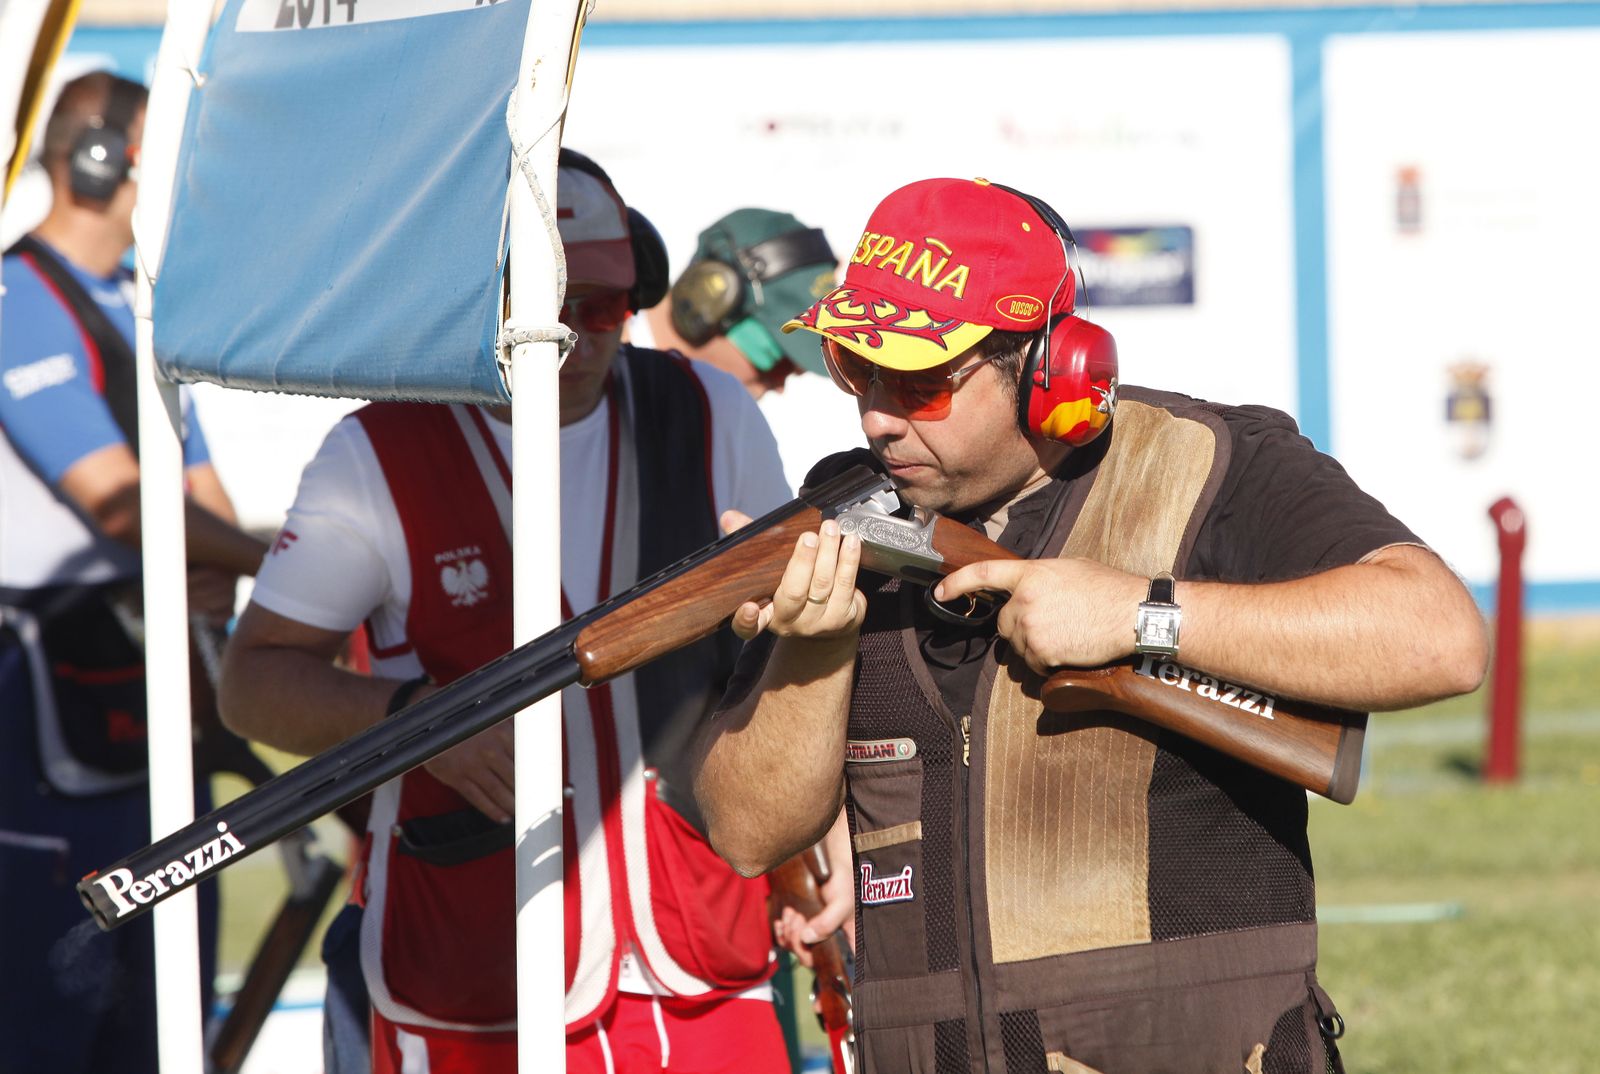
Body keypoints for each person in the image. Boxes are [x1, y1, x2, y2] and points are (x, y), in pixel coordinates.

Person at [690, 176, 1489, 1074]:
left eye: (918, 380)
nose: (877, 415)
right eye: (854, 368)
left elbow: (1440, 636)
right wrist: (813, 647)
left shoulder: (1211, 465)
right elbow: (748, 832)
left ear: (1047, 369)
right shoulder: (847, 506)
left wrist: (1143, 615)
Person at [219, 149, 801, 1073]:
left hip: (703, 949)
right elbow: (253, 683)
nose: (569, 336)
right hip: (477, 967)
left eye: (600, 307)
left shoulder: (708, 409)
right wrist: (414, 724)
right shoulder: (377, 449)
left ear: (638, 292)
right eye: (539, 309)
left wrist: (812, 842)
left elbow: (781, 659)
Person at [0, 71, 268, 1073]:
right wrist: (287, 562)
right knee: (52, 1004)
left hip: (147, 706)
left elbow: (201, 506)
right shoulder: (18, 301)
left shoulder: (134, 307)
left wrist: (234, 562)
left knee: (158, 1014)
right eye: (164, 153)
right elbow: (120, 502)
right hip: (42, 724)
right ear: (100, 162)